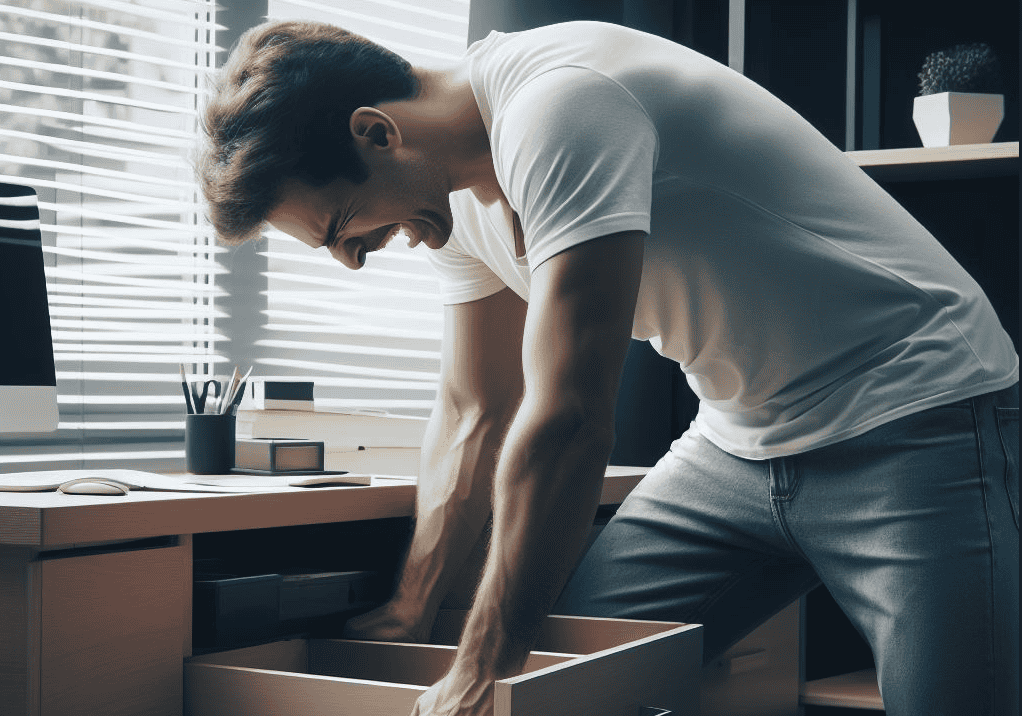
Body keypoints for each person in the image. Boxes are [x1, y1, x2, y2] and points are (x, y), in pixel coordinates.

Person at [199, 19, 1019, 716]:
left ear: (378, 132)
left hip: (918, 412)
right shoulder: (445, 200)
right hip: (738, 442)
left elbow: (569, 416)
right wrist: (410, 611)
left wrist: (483, 666)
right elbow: (475, 409)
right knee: (575, 686)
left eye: (342, 226)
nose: (352, 261)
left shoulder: (560, 106)